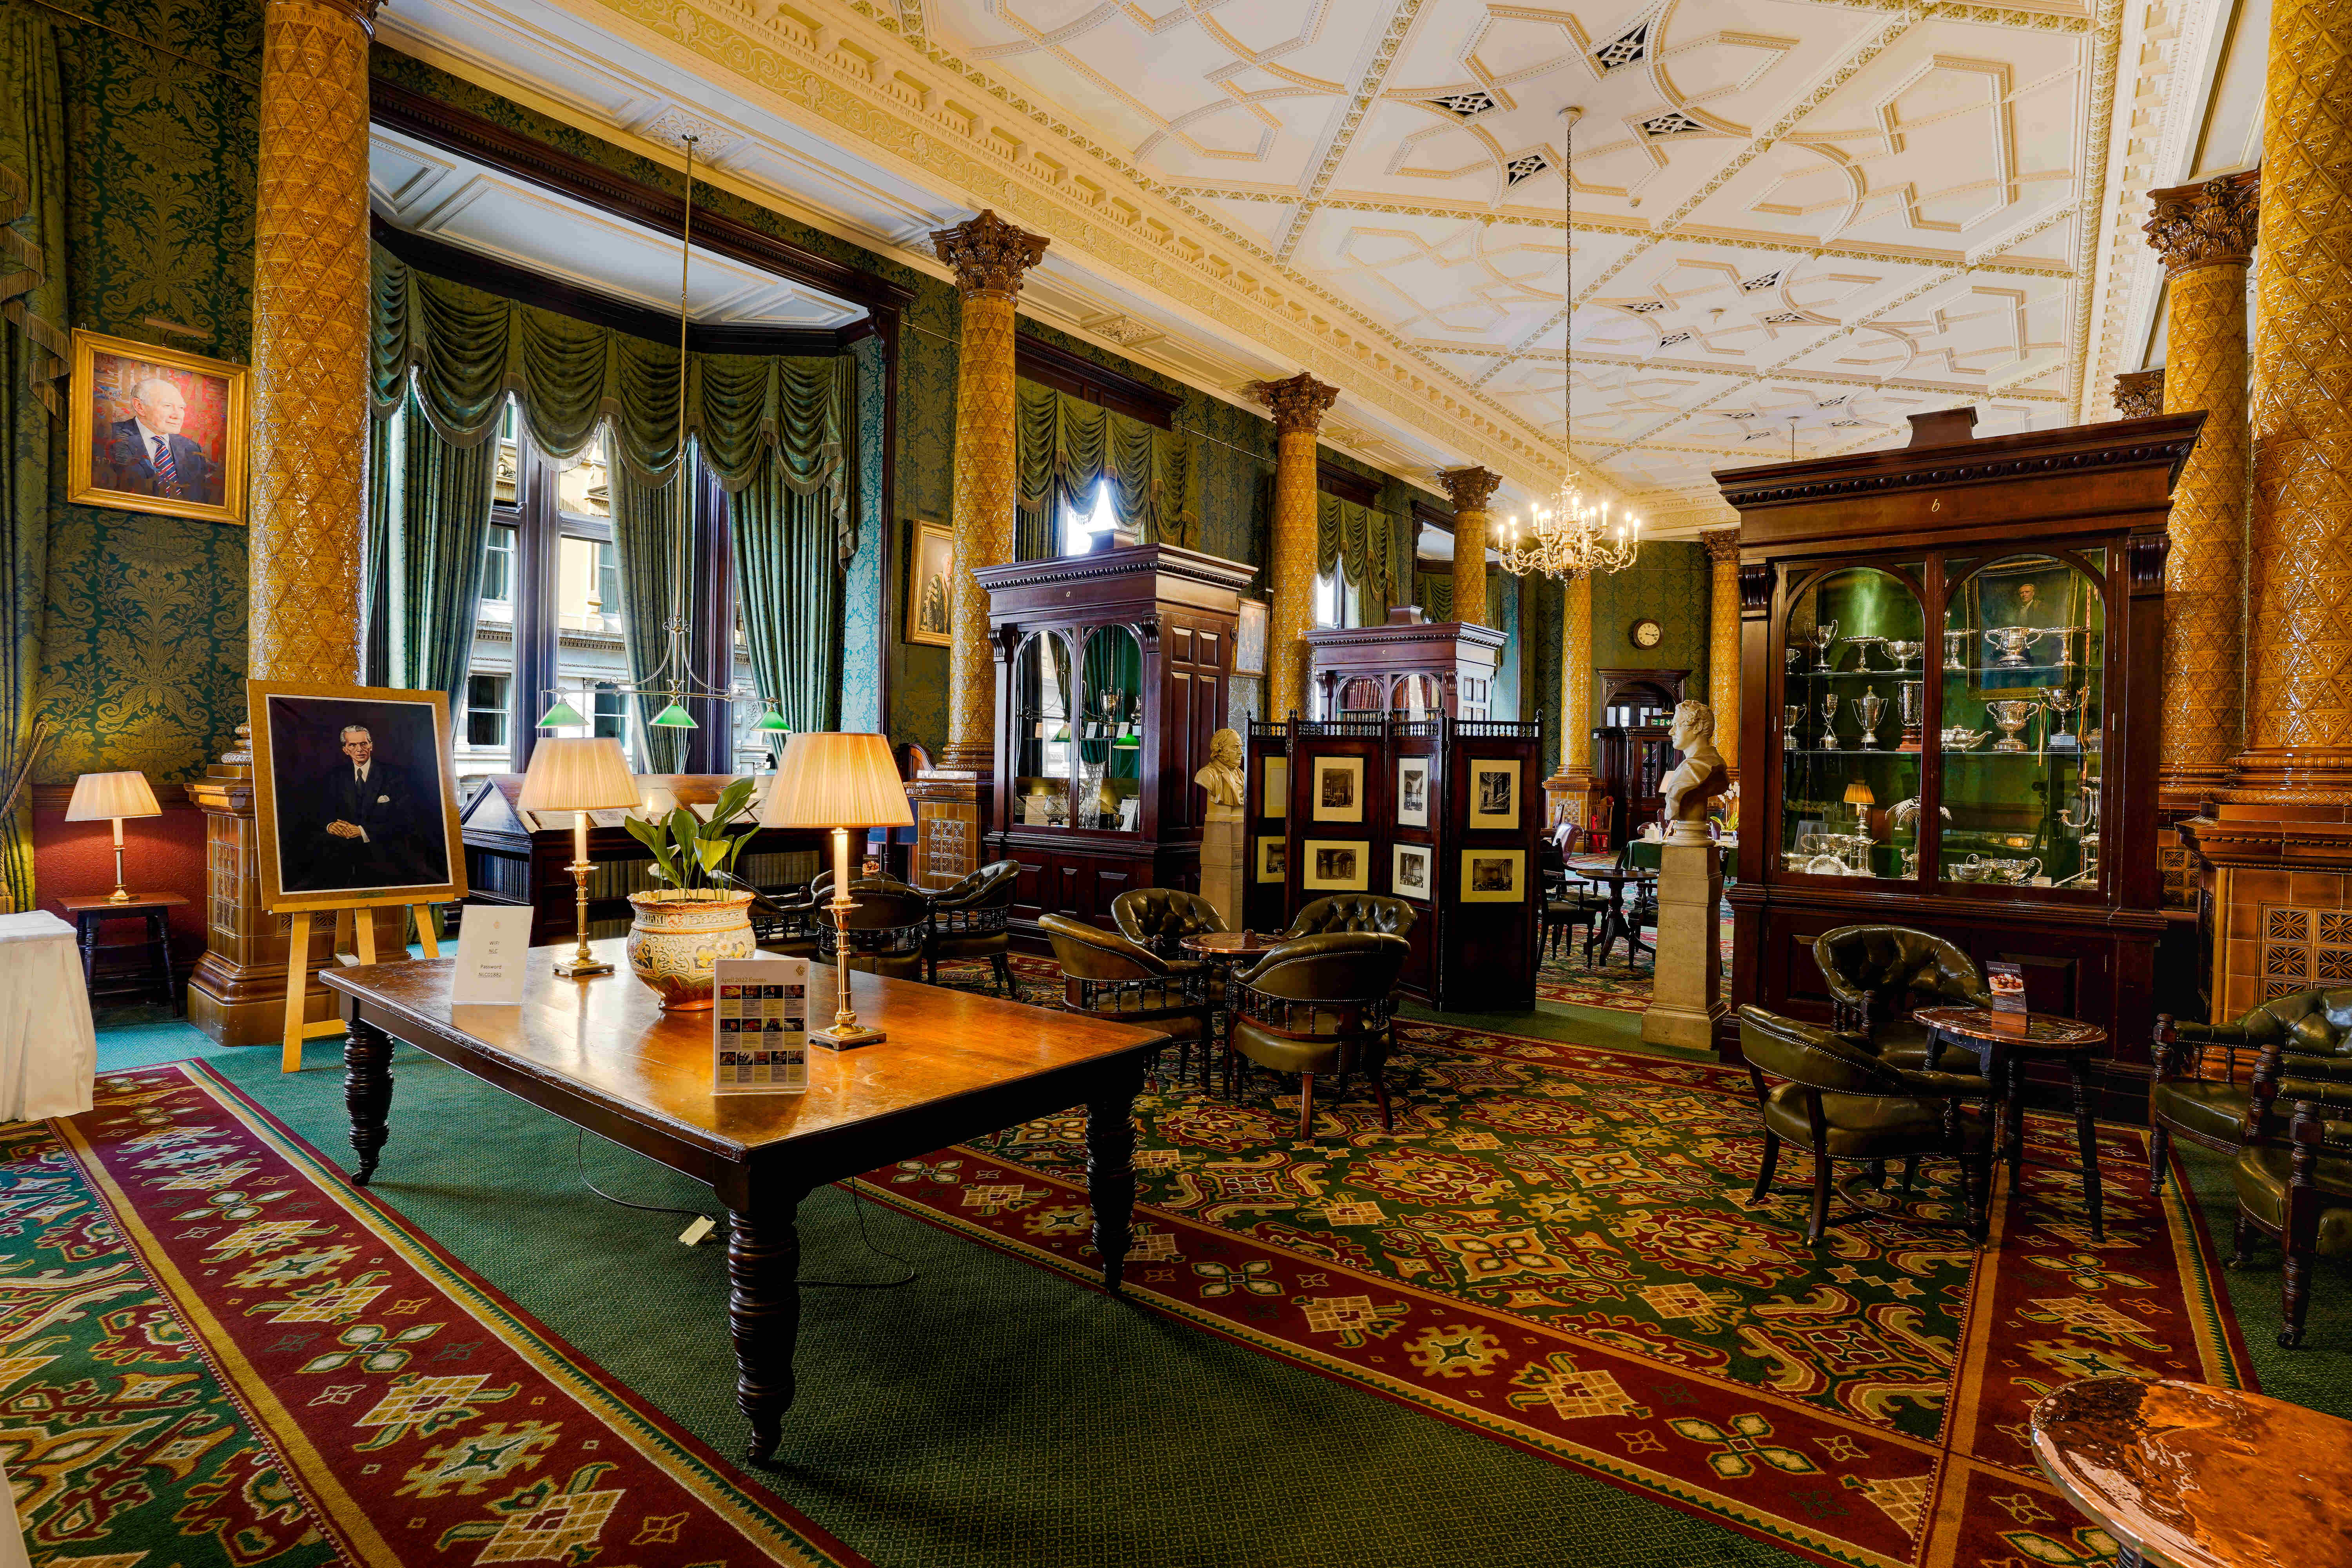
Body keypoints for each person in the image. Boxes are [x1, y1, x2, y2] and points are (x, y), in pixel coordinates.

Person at [299, 724, 444, 891]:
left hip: (387, 863)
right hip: (341, 863)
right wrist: (331, 826)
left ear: (371, 746)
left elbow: (407, 820)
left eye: (364, 744)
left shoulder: (395, 776)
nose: (359, 749)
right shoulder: (335, 777)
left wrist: (361, 831)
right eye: (352, 745)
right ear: (345, 750)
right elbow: (318, 813)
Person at [95, 376, 221, 506]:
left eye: (181, 408)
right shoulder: (108, 435)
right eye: (167, 406)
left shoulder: (192, 449)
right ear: (140, 407)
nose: (177, 416)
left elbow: (201, 502)